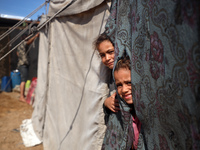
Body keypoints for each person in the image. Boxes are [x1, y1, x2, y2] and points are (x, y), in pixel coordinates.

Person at [102, 56, 141, 150]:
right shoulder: (119, 108)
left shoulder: (153, 114)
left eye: (129, 83)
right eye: (119, 85)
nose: (124, 90)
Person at [94, 33, 120, 114]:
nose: (107, 58)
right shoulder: (110, 75)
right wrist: (106, 102)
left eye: (111, 52)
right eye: (102, 55)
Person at [17, 32, 39, 102]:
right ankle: (21, 97)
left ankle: (22, 95)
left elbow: (17, 53)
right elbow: (28, 42)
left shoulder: (19, 45)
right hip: (23, 65)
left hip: (20, 64)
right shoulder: (24, 43)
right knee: (23, 81)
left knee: (22, 80)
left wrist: (22, 57)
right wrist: (35, 36)